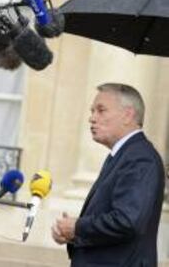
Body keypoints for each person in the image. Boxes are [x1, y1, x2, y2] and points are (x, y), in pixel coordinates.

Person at [52, 83, 165, 266]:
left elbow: (127, 221)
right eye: (92, 111)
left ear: (128, 115)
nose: (92, 118)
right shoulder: (123, 155)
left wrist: (77, 227)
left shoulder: (140, 158)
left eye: (101, 110)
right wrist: (72, 234)